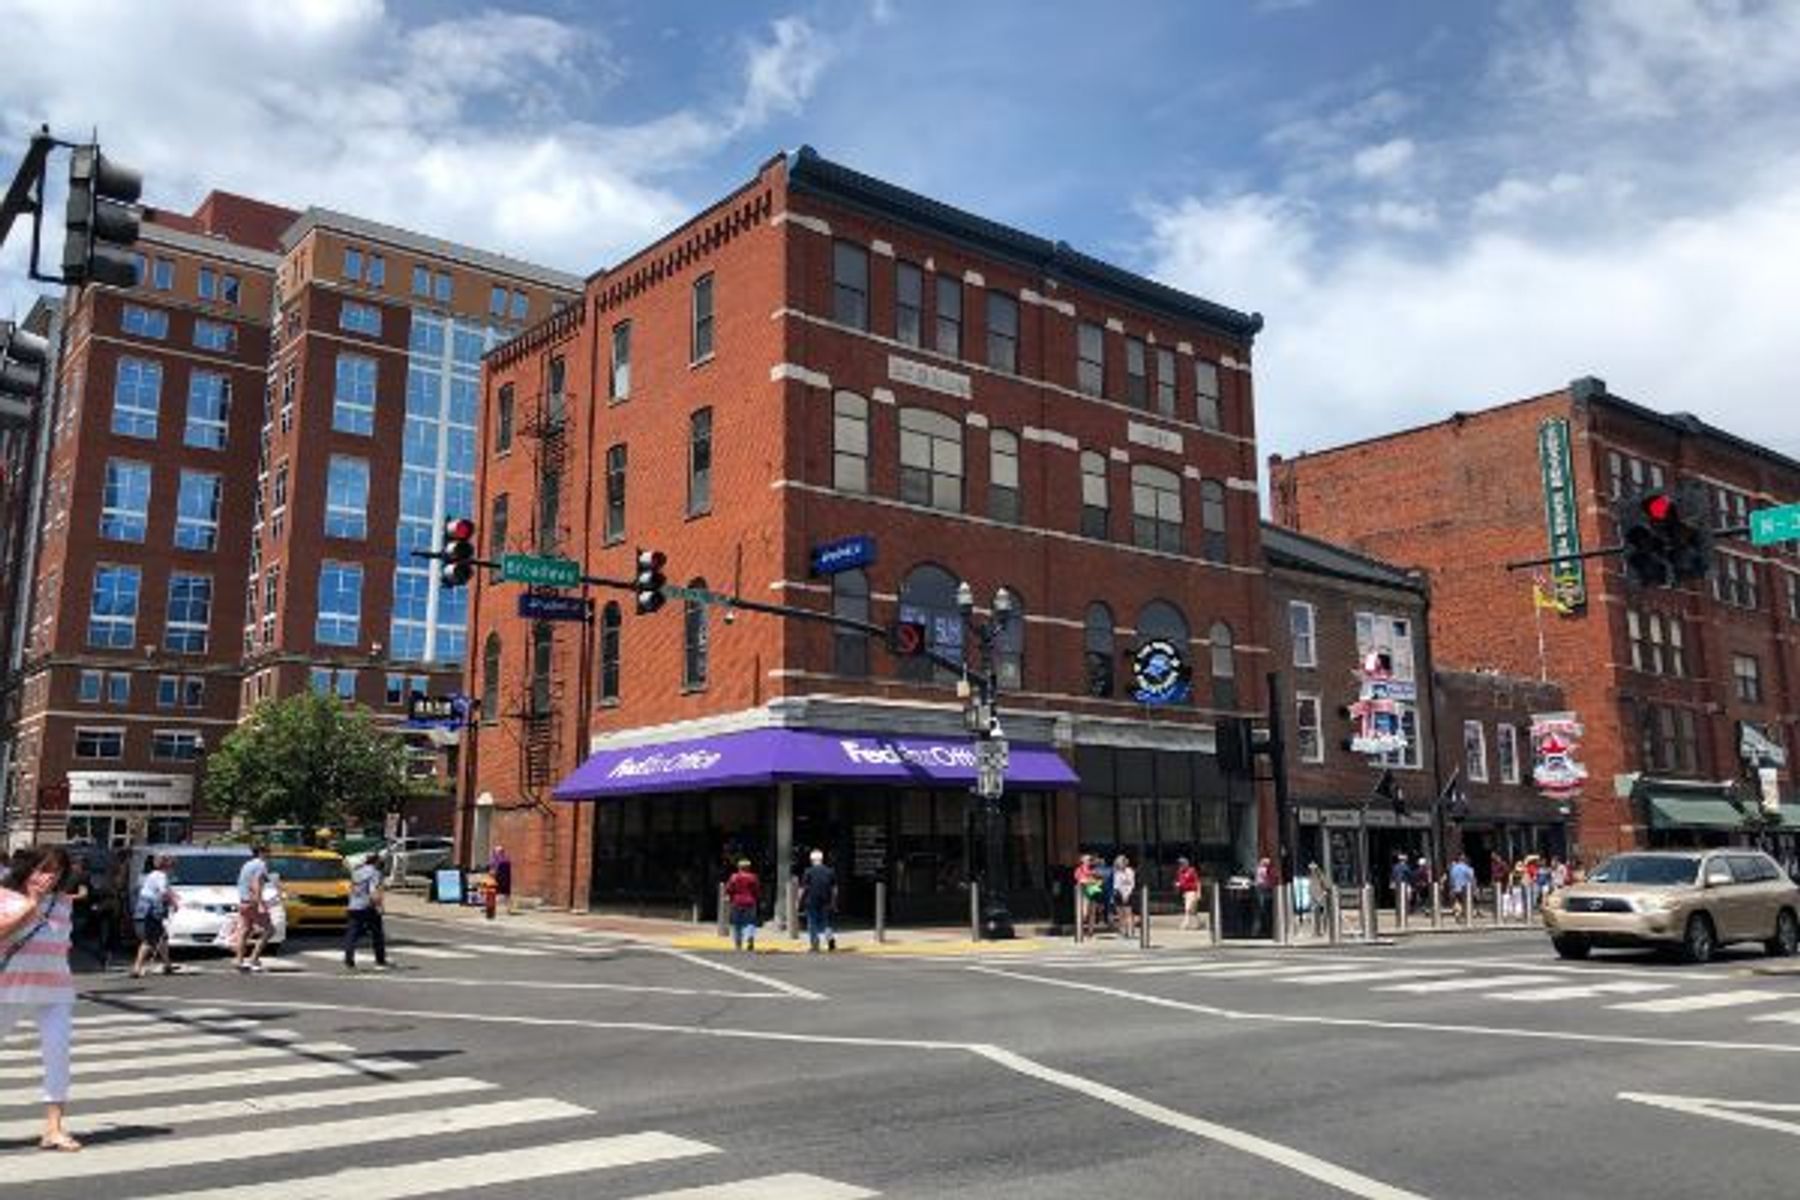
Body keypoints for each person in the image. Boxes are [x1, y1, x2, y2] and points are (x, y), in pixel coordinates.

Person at [0, 846, 82, 1151]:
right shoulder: (5, 897)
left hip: (55, 990)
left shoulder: (63, 903)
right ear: (28, 868)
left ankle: (53, 1128)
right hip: (8, 988)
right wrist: (30, 906)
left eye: (56, 871)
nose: (49, 876)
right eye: (43, 868)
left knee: (58, 1054)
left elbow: (63, 943)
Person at [129, 854, 179, 979]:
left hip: (144, 910)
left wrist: (173, 895)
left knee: (162, 937)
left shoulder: (152, 875)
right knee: (149, 940)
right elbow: (163, 892)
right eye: (172, 866)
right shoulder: (161, 876)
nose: (173, 869)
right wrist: (173, 902)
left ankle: (167, 964)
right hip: (150, 912)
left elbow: (163, 889)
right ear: (168, 866)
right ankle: (137, 968)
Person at [344, 850, 388, 970]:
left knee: (352, 934)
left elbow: (351, 888)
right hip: (368, 907)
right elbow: (373, 891)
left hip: (353, 906)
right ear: (376, 862)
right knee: (377, 934)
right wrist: (379, 906)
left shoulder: (356, 872)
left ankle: (349, 960)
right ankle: (380, 960)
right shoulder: (375, 873)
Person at [234, 843, 272, 973]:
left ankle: (239, 961)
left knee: (245, 930)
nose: (270, 854)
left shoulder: (247, 864)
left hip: (243, 901)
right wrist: (260, 902)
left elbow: (242, 882)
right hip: (252, 902)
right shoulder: (261, 864)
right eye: (268, 851)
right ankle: (253, 960)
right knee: (269, 930)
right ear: (261, 852)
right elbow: (256, 883)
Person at [799, 848, 837, 953]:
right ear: (822, 859)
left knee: (812, 923)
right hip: (826, 901)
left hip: (811, 901)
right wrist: (834, 902)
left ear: (811, 860)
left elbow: (803, 888)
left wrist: (798, 901)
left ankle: (815, 944)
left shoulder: (808, 872)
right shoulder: (830, 871)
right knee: (826, 922)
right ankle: (830, 939)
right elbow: (834, 889)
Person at [724, 859, 760, 952]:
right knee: (750, 922)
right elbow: (756, 891)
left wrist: (730, 895)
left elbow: (728, 889)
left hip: (737, 902)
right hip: (750, 902)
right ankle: (750, 938)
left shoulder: (734, 877)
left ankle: (738, 944)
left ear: (739, 867)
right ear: (749, 868)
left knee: (737, 924)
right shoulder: (753, 877)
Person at [1074, 855, 1103, 939]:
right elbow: (1079, 880)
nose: (1089, 861)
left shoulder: (1094, 870)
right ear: (1082, 860)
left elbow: (1100, 881)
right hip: (1083, 894)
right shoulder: (1079, 870)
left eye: (1090, 860)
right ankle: (1081, 930)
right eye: (1087, 860)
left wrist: (1093, 881)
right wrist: (1091, 880)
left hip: (1093, 892)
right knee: (1084, 913)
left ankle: (1090, 932)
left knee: (1092, 913)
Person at [1112, 854, 1137, 939]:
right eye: (1119, 862)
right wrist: (1118, 893)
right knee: (1120, 914)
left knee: (1128, 913)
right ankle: (1123, 931)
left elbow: (1131, 884)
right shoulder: (1116, 872)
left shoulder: (1129, 871)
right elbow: (1116, 885)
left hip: (1127, 893)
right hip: (1118, 893)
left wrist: (1126, 894)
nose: (1120, 864)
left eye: (1122, 862)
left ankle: (1130, 931)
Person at [1448, 853, 1476, 923]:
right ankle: (1465, 916)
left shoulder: (1453, 868)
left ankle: (1458, 913)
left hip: (1456, 888)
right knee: (1465, 903)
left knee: (1457, 901)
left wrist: (1451, 888)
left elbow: (1451, 879)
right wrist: (1475, 888)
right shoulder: (1467, 868)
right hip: (1465, 888)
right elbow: (1472, 879)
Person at [1174, 857, 1201, 931]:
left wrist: (1198, 892)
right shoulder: (1179, 872)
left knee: (1187, 908)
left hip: (1192, 891)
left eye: (1182, 864)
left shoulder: (1191, 871)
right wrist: (1178, 885)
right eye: (1180, 864)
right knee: (1193, 910)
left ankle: (1185, 924)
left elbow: (1197, 882)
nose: (1181, 865)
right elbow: (1179, 881)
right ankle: (1198, 922)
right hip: (1185, 892)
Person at [1308, 861, 1331, 936]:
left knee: (1322, 915)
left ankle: (1323, 930)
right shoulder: (1311, 877)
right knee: (1314, 915)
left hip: (1320, 897)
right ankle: (1316, 931)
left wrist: (1324, 893)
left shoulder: (1321, 876)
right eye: (1311, 869)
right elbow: (1310, 888)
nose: (1312, 870)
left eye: (1313, 869)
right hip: (1314, 898)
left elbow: (1326, 886)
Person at [489, 845, 514, 915]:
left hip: (498, 879)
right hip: (506, 880)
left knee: (493, 894)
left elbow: (492, 871)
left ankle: (493, 909)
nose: (496, 853)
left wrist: (492, 875)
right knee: (506, 895)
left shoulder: (495, 860)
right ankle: (508, 910)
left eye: (497, 851)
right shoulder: (506, 859)